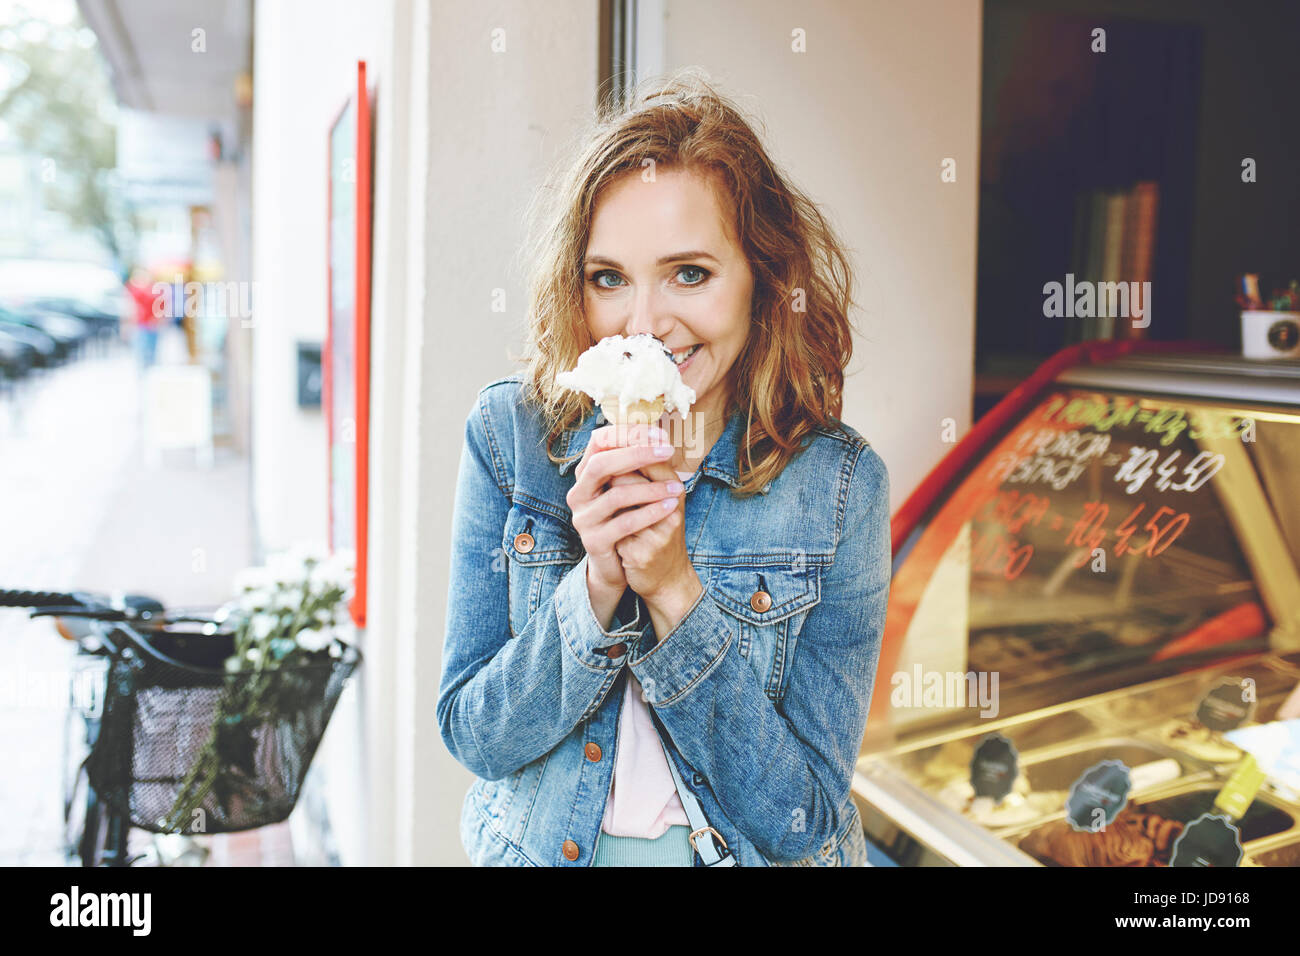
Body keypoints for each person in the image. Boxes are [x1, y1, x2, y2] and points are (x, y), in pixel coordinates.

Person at [437, 70, 891, 867]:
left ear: (763, 277)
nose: (644, 325)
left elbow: (803, 819)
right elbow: (476, 736)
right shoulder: (510, 437)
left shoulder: (837, 488)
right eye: (608, 278)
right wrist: (596, 589)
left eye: (690, 273)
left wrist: (676, 591)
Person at [124, 265, 163, 370]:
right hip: (140, 325)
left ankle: (150, 370)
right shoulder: (134, 289)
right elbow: (130, 307)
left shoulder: (154, 289)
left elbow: (161, 306)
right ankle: (144, 372)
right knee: (141, 351)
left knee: (151, 351)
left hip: (152, 325)